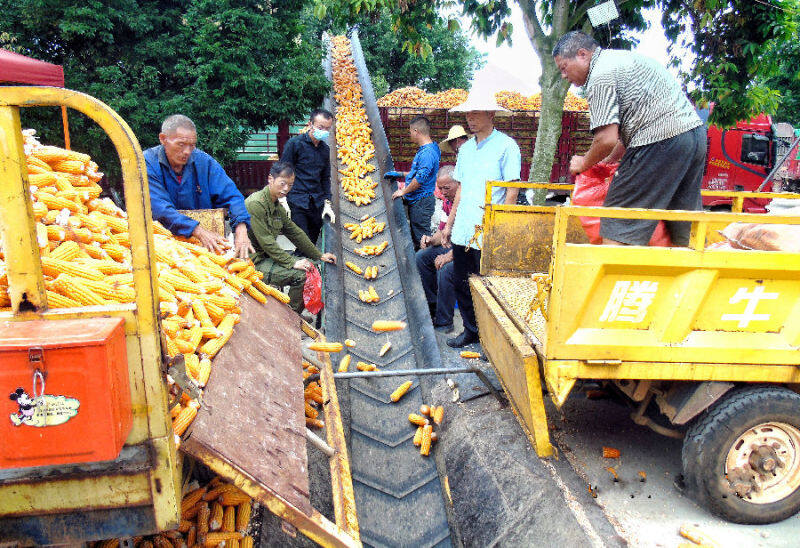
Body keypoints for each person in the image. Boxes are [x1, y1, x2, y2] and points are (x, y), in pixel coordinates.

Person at [553, 31, 705, 246]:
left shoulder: (599, 76)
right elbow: (626, 136)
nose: (564, 76)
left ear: (582, 54)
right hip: (693, 137)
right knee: (681, 218)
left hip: (659, 141)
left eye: (564, 68)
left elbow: (606, 139)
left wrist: (584, 163)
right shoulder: (625, 59)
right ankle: (685, 274)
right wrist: (607, 162)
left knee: (618, 219)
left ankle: (615, 277)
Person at [442, 90, 522, 348]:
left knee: (488, 287)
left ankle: (492, 341)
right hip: (465, 227)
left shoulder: (507, 146)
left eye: (475, 113)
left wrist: (502, 225)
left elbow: (512, 188)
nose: (470, 118)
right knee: (463, 282)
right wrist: (450, 224)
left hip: (488, 227)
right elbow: (461, 188)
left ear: (490, 114)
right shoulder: (465, 150)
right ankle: (471, 330)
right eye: (468, 113)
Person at [146, 114, 253, 258]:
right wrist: (198, 231)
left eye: (192, 145)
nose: (187, 151)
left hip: (203, 248)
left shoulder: (204, 162)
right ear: (163, 139)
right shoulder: (147, 163)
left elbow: (232, 196)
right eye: (181, 144)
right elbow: (160, 209)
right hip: (161, 246)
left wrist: (241, 229)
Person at [245, 162, 337, 313]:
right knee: (302, 275)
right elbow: (267, 243)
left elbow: (295, 232)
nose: (286, 189)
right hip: (254, 262)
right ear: (270, 179)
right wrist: (292, 263)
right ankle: (290, 316)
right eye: (282, 183)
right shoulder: (256, 204)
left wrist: (319, 255)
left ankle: (294, 316)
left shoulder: (276, 206)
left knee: (313, 266)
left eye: (290, 185)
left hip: (269, 256)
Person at [281, 108, 336, 245]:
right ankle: (300, 263)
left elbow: (324, 178)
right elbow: (283, 171)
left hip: (317, 202)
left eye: (327, 129)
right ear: (310, 124)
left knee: (312, 241)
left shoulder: (325, 150)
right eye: (320, 127)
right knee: (302, 242)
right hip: (297, 199)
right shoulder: (295, 144)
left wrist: (327, 202)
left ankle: (309, 264)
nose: (324, 131)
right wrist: (282, 198)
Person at [416, 166, 459, 331]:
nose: (442, 192)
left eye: (446, 188)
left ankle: (444, 321)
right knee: (422, 257)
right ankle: (432, 307)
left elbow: (471, 241)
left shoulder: (469, 202)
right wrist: (429, 240)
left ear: (459, 184)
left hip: (468, 250)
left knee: (446, 269)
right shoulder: (447, 202)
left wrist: (449, 256)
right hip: (453, 246)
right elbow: (441, 232)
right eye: (440, 188)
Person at [389, 116, 441, 249]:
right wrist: (400, 174)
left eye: (410, 131)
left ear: (416, 131)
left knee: (422, 238)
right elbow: (418, 173)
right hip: (419, 200)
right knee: (417, 236)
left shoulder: (427, 153)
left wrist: (403, 191)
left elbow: (420, 179)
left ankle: (424, 266)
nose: (410, 134)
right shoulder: (430, 149)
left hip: (421, 201)